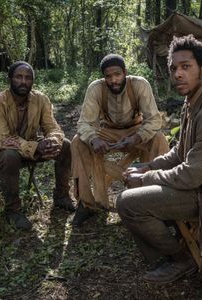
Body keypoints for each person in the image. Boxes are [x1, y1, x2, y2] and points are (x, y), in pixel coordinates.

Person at [116, 35, 202, 284]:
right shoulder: (194, 99)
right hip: (199, 185)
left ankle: (184, 257)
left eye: (186, 67)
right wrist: (148, 166)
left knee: (127, 203)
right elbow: (180, 151)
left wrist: (145, 178)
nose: (178, 74)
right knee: (135, 178)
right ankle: (174, 243)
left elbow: (192, 174)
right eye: (174, 68)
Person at [71, 54, 170, 226]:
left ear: (125, 72)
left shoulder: (139, 84)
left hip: (136, 130)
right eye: (108, 77)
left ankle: (157, 197)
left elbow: (154, 120)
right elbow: (84, 123)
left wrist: (137, 137)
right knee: (77, 142)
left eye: (117, 74)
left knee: (159, 138)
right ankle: (87, 204)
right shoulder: (96, 88)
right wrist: (94, 139)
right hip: (107, 131)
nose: (113, 80)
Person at [0, 61, 75, 231]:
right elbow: (2, 139)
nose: (23, 81)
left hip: (29, 147)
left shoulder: (40, 99)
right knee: (10, 155)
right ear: (10, 79)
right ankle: (13, 211)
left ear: (32, 81)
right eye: (18, 77)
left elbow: (52, 127)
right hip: (0, 151)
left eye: (27, 78)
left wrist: (52, 140)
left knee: (66, 145)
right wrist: (35, 147)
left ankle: (61, 196)